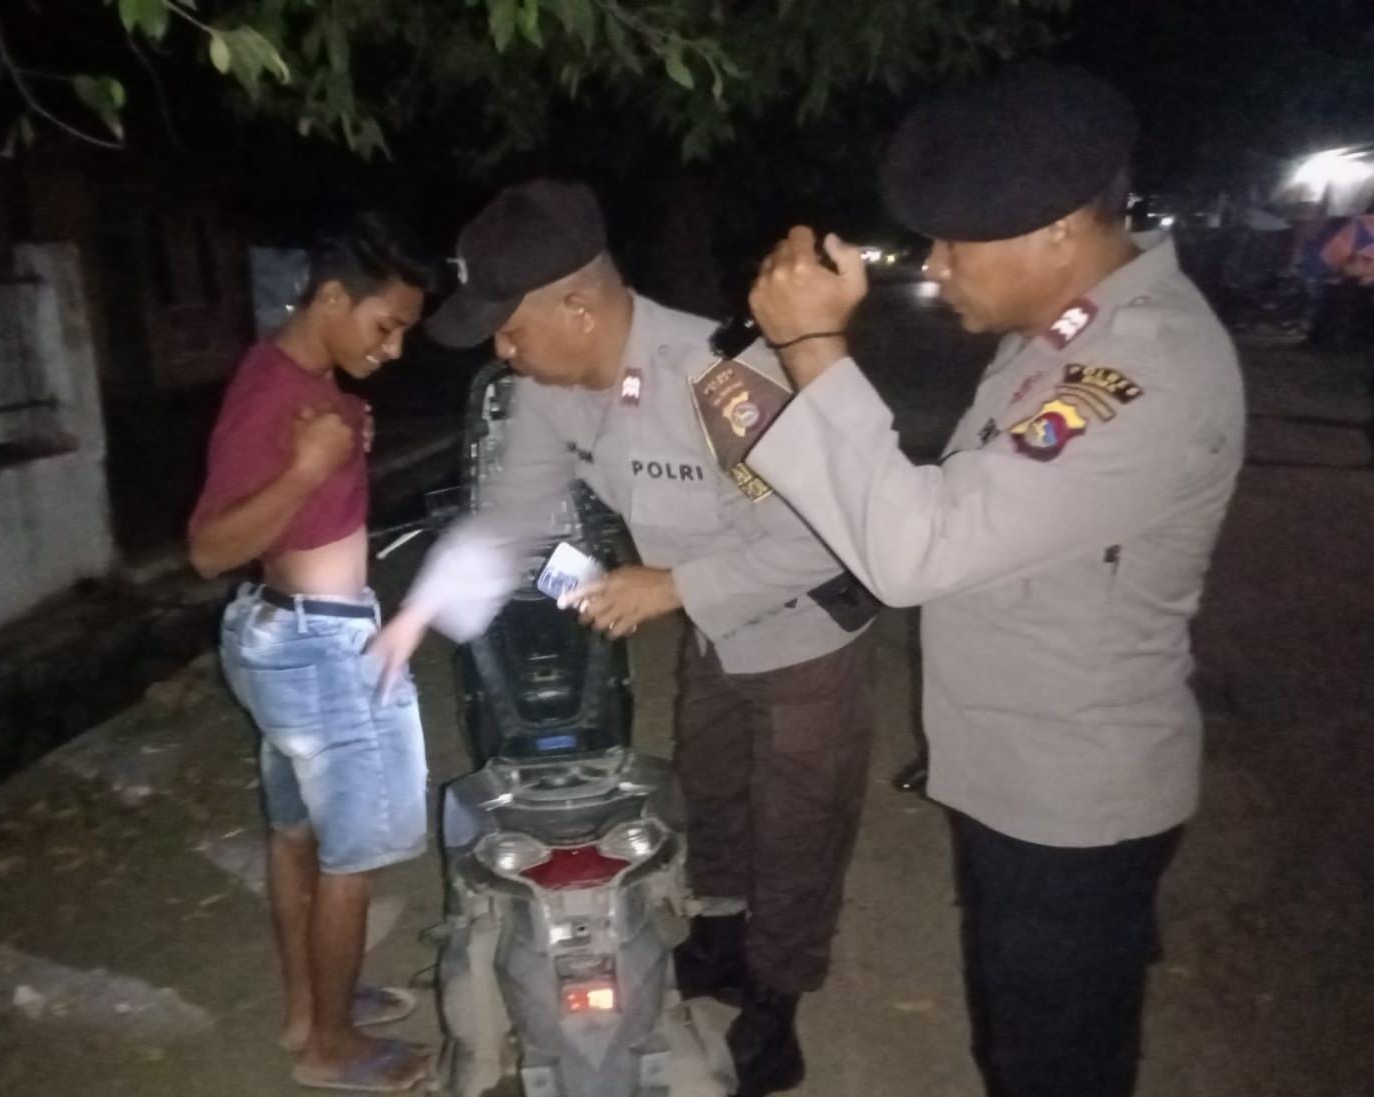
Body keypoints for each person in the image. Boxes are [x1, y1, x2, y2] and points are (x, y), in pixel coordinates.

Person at [744, 63, 1245, 1097]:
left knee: (1051, 1061)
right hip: (1014, 766)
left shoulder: (1136, 369)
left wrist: (811, 348)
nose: (935, 266)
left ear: (1057, 229)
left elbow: (917, 550)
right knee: (1020, 1031)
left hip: (1069, 800)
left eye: (954, 243)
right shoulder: (1065, 331)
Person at [368, 179, 876, 1097]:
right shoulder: (544, 389)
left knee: (797, 828)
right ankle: (717, 946)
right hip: (716, 630)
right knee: (710, 795)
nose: (502, 350)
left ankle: (777, 1008)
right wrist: (414, 614)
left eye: (510, 328)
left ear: (578, 306)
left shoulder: (721, 379)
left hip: (805, 635)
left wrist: (669, 587)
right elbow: (510, 519)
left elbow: (822, 537)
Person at [187, 212, 439, 1093]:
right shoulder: (274, 391)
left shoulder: (302, 380)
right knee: (355, 854)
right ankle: (330, 1048)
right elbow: (208, 549)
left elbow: (300, 494)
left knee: (295, 831)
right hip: (316, 647)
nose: (394, 348)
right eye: (386, 324)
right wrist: (305, 469)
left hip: (287, 633)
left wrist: (337, 447)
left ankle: (310, 1008)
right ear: (332, 297)